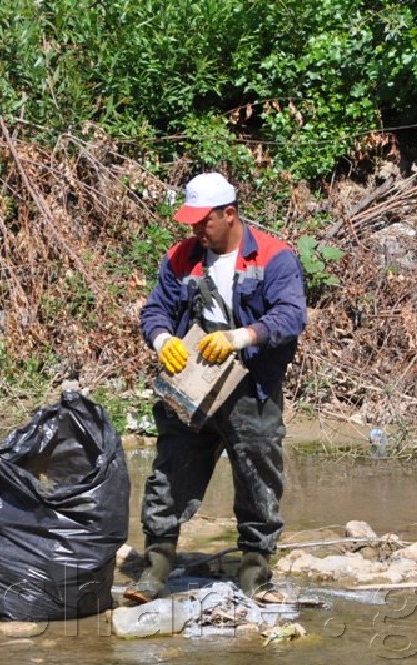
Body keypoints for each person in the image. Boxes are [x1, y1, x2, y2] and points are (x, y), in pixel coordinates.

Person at [125, 172, 307, 604]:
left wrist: (240, 336)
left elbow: (290, 316)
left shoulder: (275, 257)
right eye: (191, 222)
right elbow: (155, 310)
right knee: (171, 470)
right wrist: (163, 340)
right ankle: (156, 568)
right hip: (191, 383)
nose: (195, 230)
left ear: (230, 214)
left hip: (251, 388)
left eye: (203, 221)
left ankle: (255, 571)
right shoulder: (181, 257)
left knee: (258, 474)